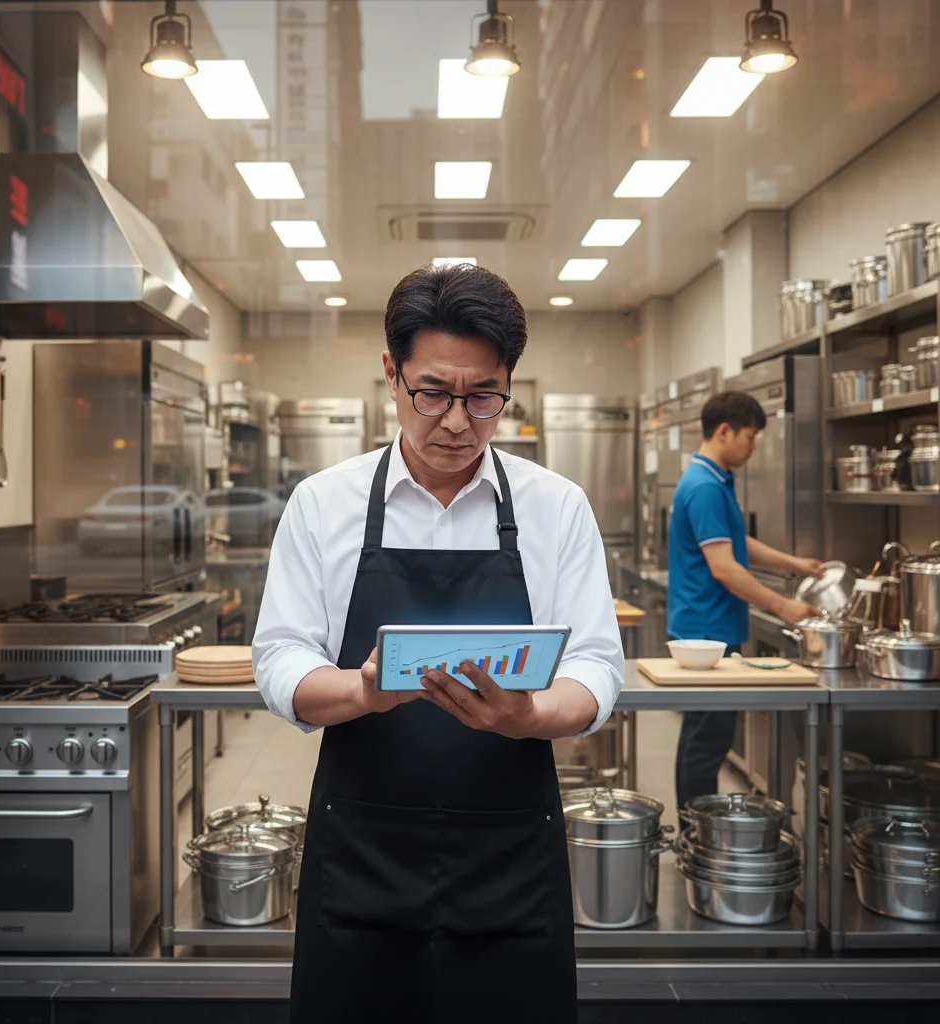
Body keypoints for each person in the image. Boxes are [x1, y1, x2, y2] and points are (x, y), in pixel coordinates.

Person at [252, 262, 624, 1024]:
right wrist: (363, 691)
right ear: (390, 373)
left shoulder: (557, 508)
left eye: (483, 396)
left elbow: (596, 664)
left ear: (508, 384)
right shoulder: (324, 504)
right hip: (361, 858)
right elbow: (281, 658)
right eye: (433, 393)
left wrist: (529, 715)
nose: (457, 421)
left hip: (511, 859)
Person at [668, 391, 820, 813]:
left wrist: (796, 565)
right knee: (706, 740)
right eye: (751, 437)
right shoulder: (703, 486)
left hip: (711, 628)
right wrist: (782, 606)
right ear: (724, 431)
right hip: (705, 635)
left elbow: (737, 542)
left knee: (704, 736)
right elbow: (725, 567)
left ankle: (695, 828)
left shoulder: (714, 479)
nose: (754, 447)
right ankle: (696, 834)